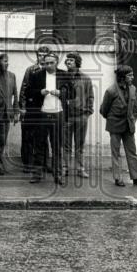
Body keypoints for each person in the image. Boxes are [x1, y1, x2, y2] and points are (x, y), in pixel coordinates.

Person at [22, 51, 71, 185]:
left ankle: (58, 175)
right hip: (42, 113)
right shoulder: (36, 75)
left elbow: (72, 93)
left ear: (57, 63)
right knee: (39, 144)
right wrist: (40, 92)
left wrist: (61, 93)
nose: (48, 65)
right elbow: (28, 92)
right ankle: (37, 174)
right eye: (46, 63)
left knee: (57, 145)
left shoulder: (64, 75)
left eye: (51, 63)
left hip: (58, 113)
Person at [99, 65, 137, 187]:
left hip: (128, 125)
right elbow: (103, 110)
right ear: (122, 77)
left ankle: (136, 177)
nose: (132, 77)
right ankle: (117, 178)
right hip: (115, 126)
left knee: (132, 152)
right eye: (129, 75)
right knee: (116, 152)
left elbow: (135, 108)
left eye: (132, 75)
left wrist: (133, 119)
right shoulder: (111, 91)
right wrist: (113, 119)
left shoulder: (133, 89)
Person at [18, 46, 51, 172]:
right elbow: (24, 89)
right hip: (32, 107)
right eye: (40, 55)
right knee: (28, 136)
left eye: (45, 55)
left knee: (44, 136)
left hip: (46, 108)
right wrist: (23, 107)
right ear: (37, 56)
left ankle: (44, 163)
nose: (42, 57)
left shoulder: (51, 71)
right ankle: (27, 164)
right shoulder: (31, 70)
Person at [62, 51, 93, 179]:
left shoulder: (86, 79)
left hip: (81, 116)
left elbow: (90, 96)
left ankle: (80, 169)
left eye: (71, 60)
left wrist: (88, 112)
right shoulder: (62, 77)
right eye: (67, 60)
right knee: (66, 144)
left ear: (77, 63)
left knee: (80, 145)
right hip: (66, 116)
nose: (68, 62)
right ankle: (65, 168)